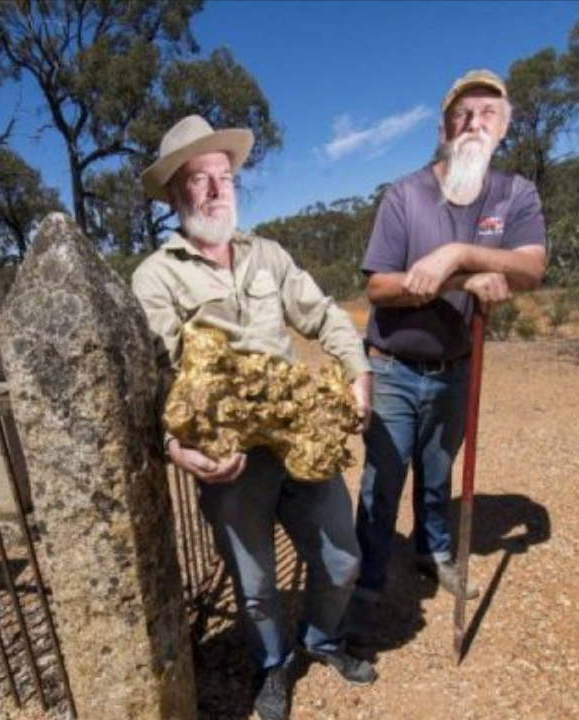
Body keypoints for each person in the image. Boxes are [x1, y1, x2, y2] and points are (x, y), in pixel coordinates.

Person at [131, 115, 377, 720]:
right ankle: (272, 666)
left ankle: (322, 639)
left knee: (342, 559)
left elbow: (322, 314)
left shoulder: (267, 255)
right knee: (257, 584)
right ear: (173, 194)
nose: (218, 189)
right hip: (230, 461)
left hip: (300, 438)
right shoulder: (155, 276)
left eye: (224, 176)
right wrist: (175, 446)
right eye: (199, 178)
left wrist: (357, 372)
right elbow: (158, 380)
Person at [351, 70, 547, 620]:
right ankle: (366, 578)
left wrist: (458, 253)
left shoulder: (515, 194)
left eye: (488, 114)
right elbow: (378, 287)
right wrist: (459, 279)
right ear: (443, 127)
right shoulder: (404, 196)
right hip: (392, 366)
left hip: (456, 366)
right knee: (382, 478)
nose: (474, 123)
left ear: (504, 127)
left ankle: (432, 551)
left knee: (437, 475)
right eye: (462, 114)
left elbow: (532, 268)